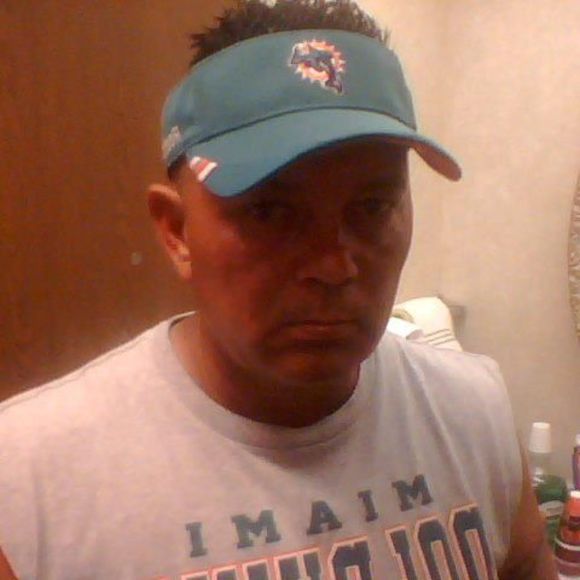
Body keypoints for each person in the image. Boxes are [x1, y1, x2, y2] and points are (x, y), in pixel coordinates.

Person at [0, 1, 558, 578]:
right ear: (176, 232)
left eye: (372, 207)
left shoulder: (473, 415)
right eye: (270, 212)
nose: (334, 266)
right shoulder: (32, 490)